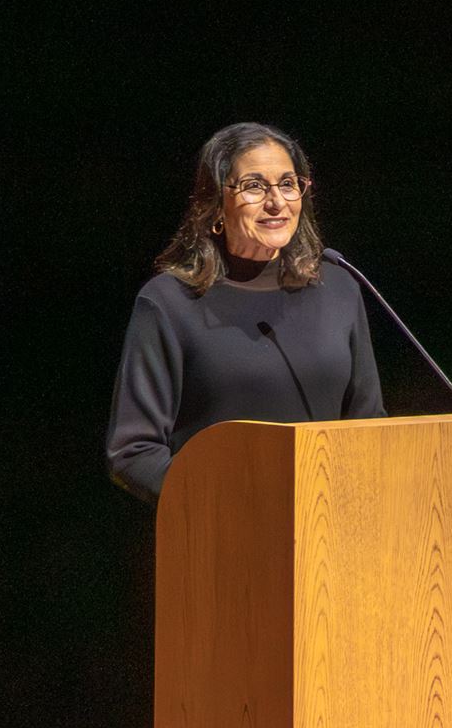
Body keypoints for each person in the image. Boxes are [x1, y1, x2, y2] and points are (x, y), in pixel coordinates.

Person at [107, 123, 384, 500]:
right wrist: (226, 504)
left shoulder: (338, 289)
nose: (276, 202)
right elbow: (133, 453)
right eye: (254, 186)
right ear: (215, 203)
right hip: (221, 536)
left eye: (288, 184)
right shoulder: (170, 303)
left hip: (330, 533)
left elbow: (369, 428)